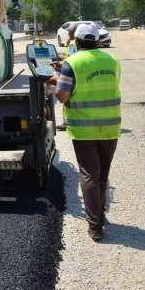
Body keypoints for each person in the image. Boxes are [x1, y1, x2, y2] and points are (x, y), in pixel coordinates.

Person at [47, 23, 121, 241]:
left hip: (84, 129)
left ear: (76, 42)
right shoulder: (113, 61)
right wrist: (65, 71)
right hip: (110, 128)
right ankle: (100, 216)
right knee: (103, 175)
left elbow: (62, 96)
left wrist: (52, 79)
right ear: (97, 41)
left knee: (89, 175)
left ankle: (95, 226)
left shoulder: (72, 63)